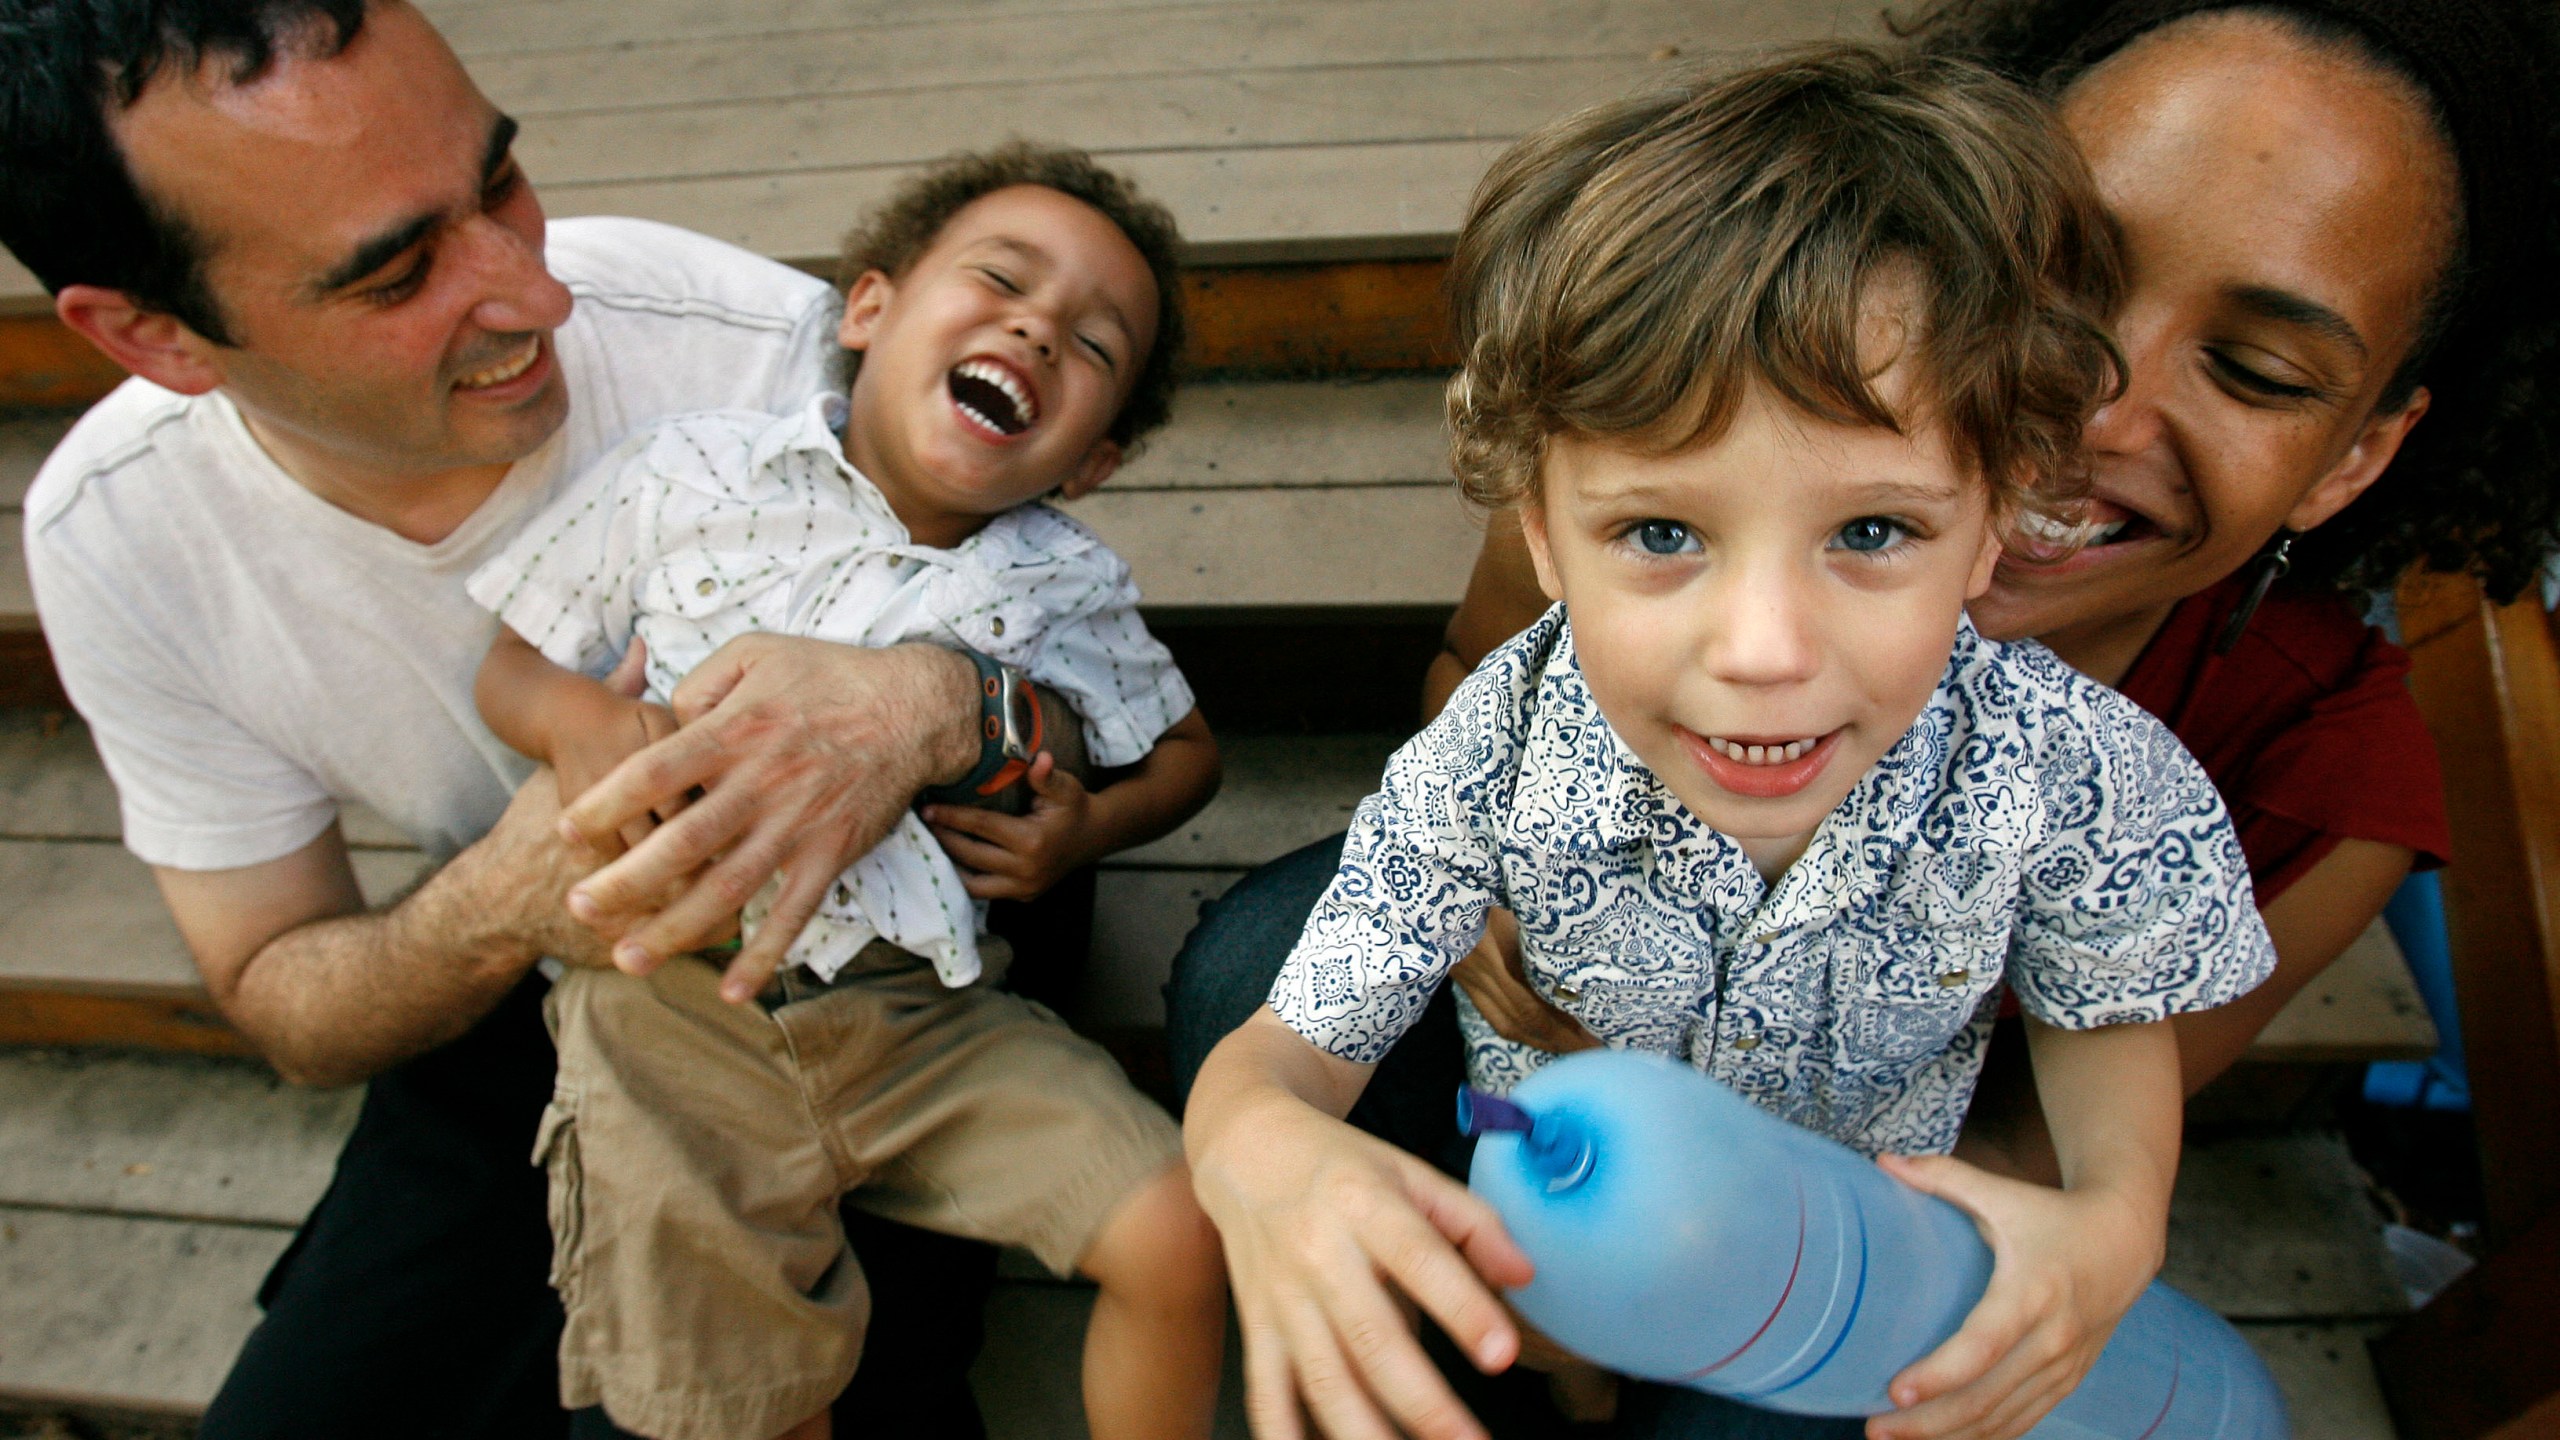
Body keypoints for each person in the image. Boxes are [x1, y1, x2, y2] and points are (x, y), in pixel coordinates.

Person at [1168, 0, 2560, 1244]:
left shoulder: (2303, 772)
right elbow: (1479, 688)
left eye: (2253, 371)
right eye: (2062, 273)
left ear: (2356, 456)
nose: (2083, 410)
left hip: (1839, 1216)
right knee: (1267, 963)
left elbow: (2048, 1144)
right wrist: (1488, 921)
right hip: (1539, 1074)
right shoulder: (1658, 451)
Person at [1184, 45, 2278, 1440]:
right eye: (1661, 533)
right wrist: (1253, 1145)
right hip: (1547, 1194)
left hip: (1828, 1260)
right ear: (1542, 531)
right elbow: (1289, 1051)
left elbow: (2105, 1008)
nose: (1763, 649)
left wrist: (2118, 1220)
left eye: (1871, 532)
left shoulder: (2074, 772)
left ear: (1999, 514)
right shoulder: (1493, 752)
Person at [4, 2, 1061, 1433]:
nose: (536, 294)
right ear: (154, 336)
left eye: (498, 180)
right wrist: (492, 910)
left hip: (873, 958)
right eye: (397, 274)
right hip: (522, 983)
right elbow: (281, 992)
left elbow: (1089, 685)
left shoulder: (760, 359)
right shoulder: (116, 535)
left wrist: (938, 703)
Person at [471, 145, 1229, 1440]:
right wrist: (586, 723)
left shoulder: (1065, 586)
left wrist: (1091, 827)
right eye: (999, 279)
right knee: (739, 1403)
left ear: (1092, 460)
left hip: (917, 1014)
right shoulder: (692, 474)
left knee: (1174, 1229)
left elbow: (1188, 754)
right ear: (868, 311)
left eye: (1091, 343)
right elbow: (514, 663)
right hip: (665, 1010)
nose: (1036, 328)